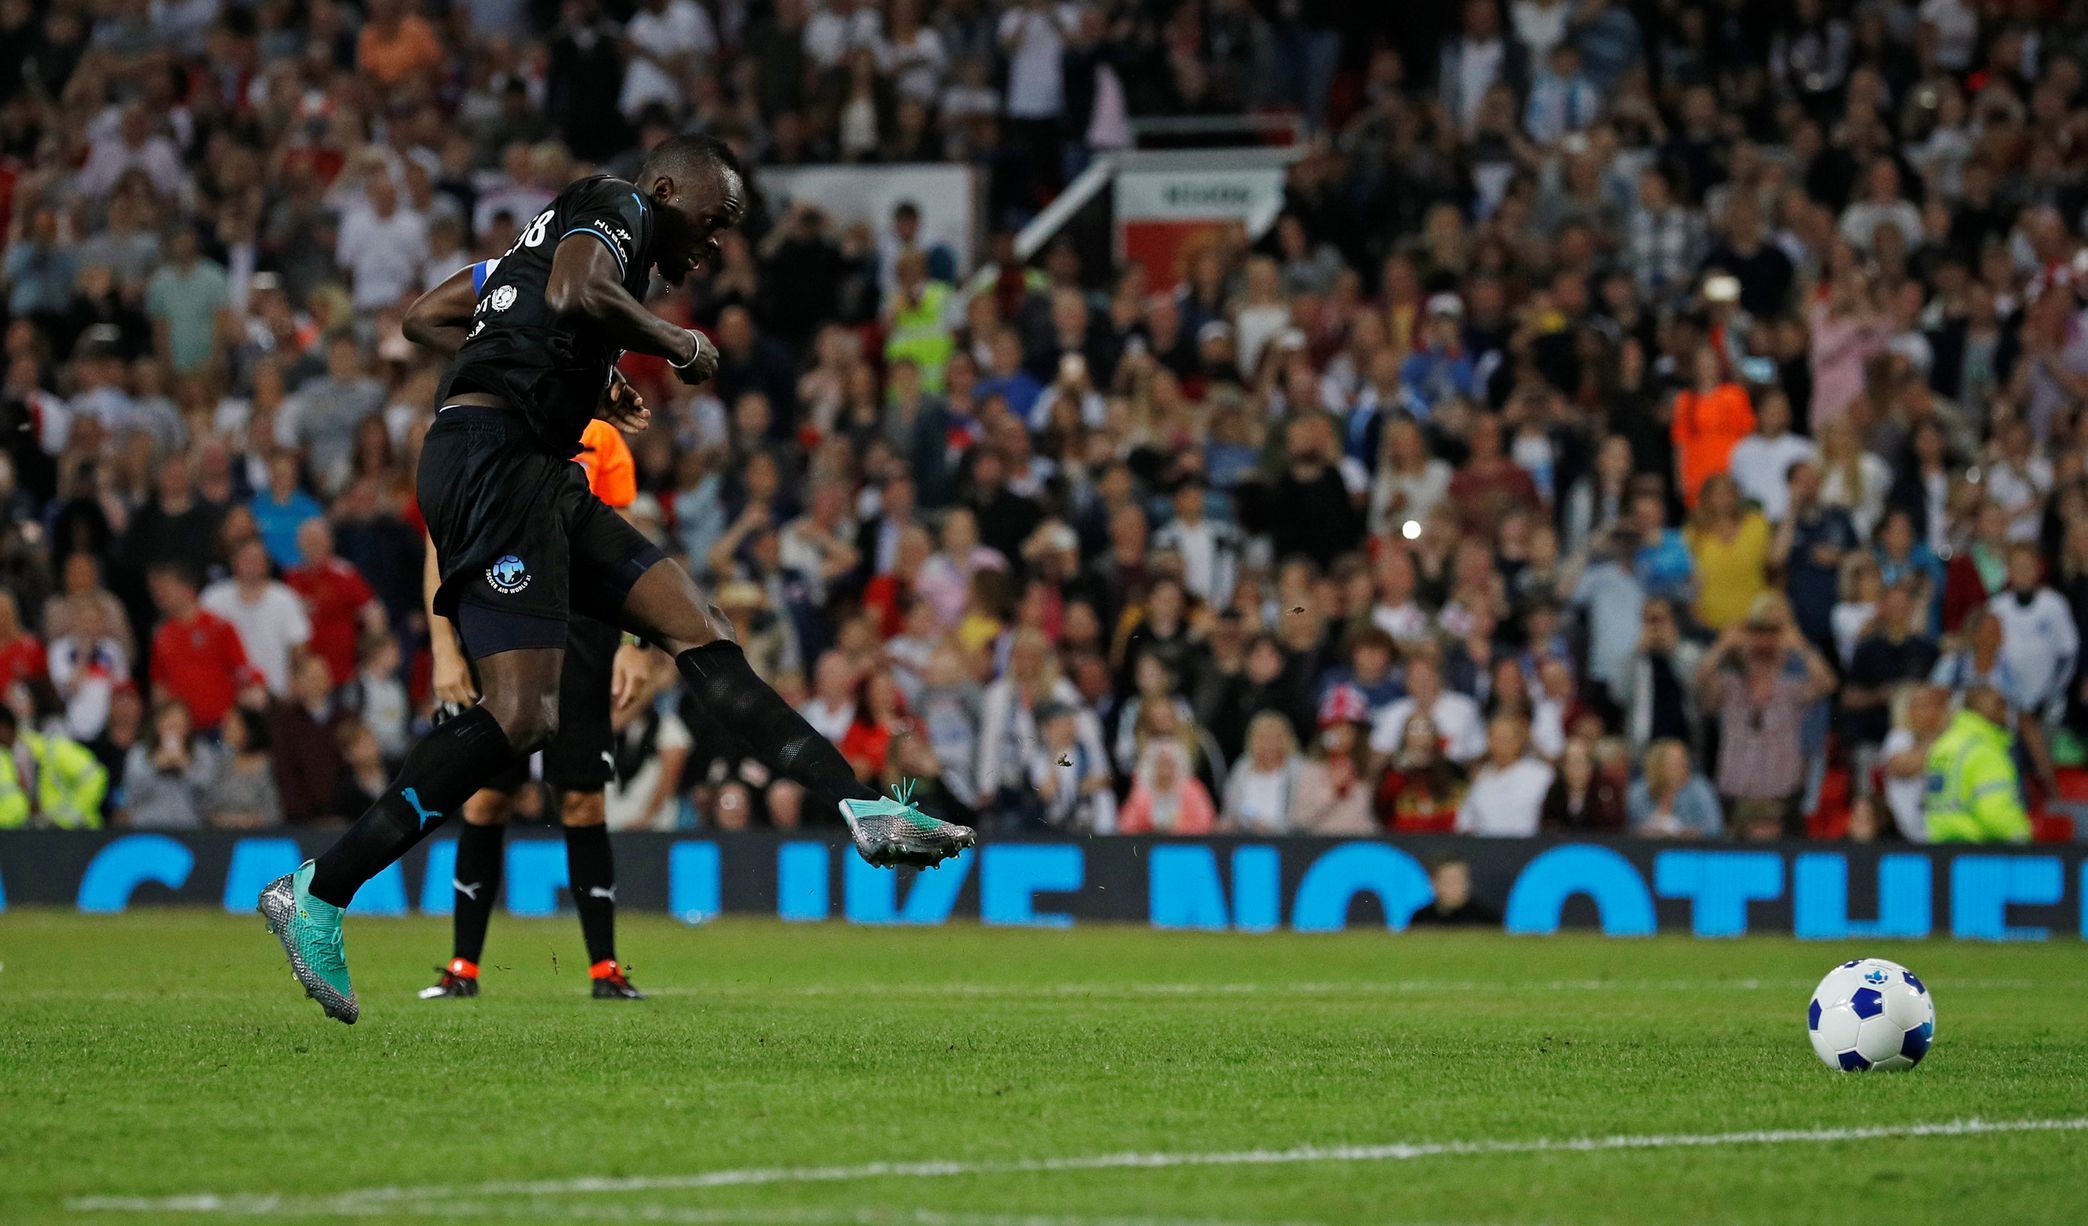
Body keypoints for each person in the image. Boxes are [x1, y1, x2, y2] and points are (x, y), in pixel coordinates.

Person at [261, 137, 974, 1026]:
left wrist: (579, 380)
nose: (710, 249)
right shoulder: (619, 209)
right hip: (493, 464)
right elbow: (572, 293)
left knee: (696, 624)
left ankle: (862, 805)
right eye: (711, 224)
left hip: (542, 470)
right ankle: (320, 891)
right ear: (668, 190)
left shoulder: (524, 251)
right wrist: (669, 344)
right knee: (523, 716)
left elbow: (428, 316)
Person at [419, 392, 663, 1001]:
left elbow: (624, 542)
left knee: (581, 800)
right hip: (498, 613)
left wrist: (635, 640)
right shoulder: (484, 421)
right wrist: (444, 649)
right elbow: (438, 541)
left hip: (582, 626)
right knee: (486, 799)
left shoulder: (601, 437)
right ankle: (462, 969)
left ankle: (604, 969)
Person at [1923, 685, 2029, 844]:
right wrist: (2022, 836)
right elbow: (1994, 813)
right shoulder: (1984, 750)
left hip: (1940, 849)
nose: (2006, 711)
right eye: (1999, 704)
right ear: (1978, 708)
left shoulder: (1944, 744)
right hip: (1979, 853)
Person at [0, 704, 108, 830]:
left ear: (6, 727)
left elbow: (95, 776)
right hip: (31, 836)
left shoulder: (52, 749)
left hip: (80, 833)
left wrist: (66, 819)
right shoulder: (5, 760)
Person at [1454, 714, 1554, 836]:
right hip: (1486, 848)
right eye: (1496, 738)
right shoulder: (1480, 779)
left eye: (1506, 738)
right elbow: (1465, 822)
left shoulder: (1541, 775)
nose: (1501, 744)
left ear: (1519, 741)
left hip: (1530, 848)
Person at [1626, 739, 1722, 838]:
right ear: (1657, 764)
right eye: (1675, 762)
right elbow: (1629, 829)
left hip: (1691, 850)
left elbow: (1714, 829)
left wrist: (1682, 834)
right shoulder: (1638, 792)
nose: (1683, 765)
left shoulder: (1700, 789)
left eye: (1684, 760)